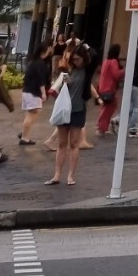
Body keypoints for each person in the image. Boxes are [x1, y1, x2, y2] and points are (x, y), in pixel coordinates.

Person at [45, 46, 90, 186]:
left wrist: (83, 46)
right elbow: (58, 89)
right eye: (73, 59)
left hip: (78, 109)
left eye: (78, 59)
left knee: (74, 143)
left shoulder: (87, 71)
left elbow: (95, 56)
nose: (75, 61)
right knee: (61, 143)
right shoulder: (69, 71)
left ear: (84, 58)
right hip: (65, 109)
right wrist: (65, 83)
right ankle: (57, 175)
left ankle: (70, 175)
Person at [18, 42, 53, 144]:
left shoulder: (33, 62)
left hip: (28, 91)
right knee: (32, 114)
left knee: (31, 114)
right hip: (33, 92)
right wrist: (43, 93)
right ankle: (24, 137)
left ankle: (24, 133)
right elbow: (40, 80)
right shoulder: (40, 64)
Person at [94, 44, 124, 135]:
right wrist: (124, 71)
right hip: (109, 89)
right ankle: (101, 127)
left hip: (103, 88)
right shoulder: (114, 61)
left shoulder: (106, 61)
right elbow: (116, 75)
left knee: (106, 107)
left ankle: (102, 126)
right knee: (108, 108)